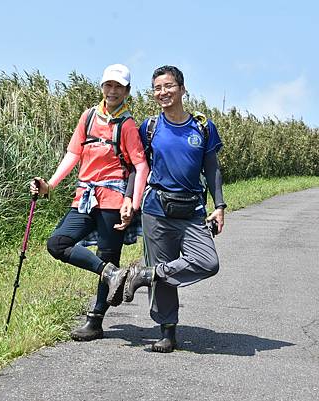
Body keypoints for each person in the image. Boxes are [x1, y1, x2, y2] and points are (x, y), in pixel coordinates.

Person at [30, 64, 149, 341]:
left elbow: (140, 166)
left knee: (109, 255)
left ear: (127, 91)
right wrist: (49, 185)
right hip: (85, 198)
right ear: (102, 87)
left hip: (113, 200)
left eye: (119, 86)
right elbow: (73, 154)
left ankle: (95, 321)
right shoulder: (88, 117)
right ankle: (111, 273)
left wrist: (132, 201)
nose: (112, 91)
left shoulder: (128, 125)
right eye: (109, 85)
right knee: (57, 243)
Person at [121, 65, 227, 353]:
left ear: (182, 88)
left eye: (168, 86)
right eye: (157, 88)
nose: (162, 92)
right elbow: (137, 167)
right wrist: (130, 198)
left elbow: (212, 168)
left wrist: (219, 206)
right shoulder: (150, 127)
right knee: (165, 271)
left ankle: (145, 275)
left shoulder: (203, 127)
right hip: (156, 209)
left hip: (192, 210)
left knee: (207, 262)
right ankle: (167, 332)